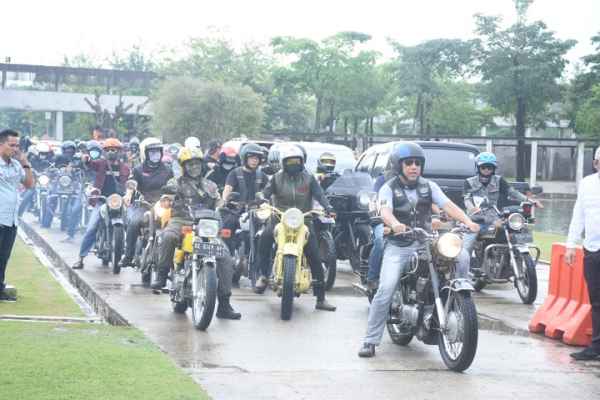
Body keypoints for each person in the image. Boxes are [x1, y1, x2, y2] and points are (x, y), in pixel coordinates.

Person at [358, 142, 479, 358]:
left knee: (460, 255)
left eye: (417, 163)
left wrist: (467, 221)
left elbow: (448, 205)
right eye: (409, 163)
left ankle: (456, 300)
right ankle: (370, 340)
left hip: (427, 241)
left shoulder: (429, 186)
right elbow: (385, 210)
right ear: (399, 166)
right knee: (385, 289)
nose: (414, 167)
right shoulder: (388, 187)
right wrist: (395, 224)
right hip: (400, 244)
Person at [151, 147, 241, 320]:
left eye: (197, 164)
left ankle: (224, 304)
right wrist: (167, 198)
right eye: (190, 164)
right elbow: (167, 195)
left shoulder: (210, 185)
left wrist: (226, 204)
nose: (194, 167)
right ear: (184, 166)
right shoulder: (175, 182)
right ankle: (161, 275)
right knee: (168, 236)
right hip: (181, 221)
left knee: (225, 257)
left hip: (205, 224)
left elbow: (218, 201)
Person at [255, 144, 337, 311]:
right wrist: (262, 198)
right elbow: (265, 192)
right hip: (279, 218)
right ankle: (263, 275)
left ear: (302, 162)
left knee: (314, 255)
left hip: (304, 220)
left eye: (296, 161)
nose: (293, 164)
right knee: (264, 238)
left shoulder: (309, 178)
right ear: (283, 163)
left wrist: (328, 207)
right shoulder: (276, 178)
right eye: (289, 161)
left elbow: (319, 194)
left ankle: (321, 298)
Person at [462, 152, 543, 257]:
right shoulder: (469, 182)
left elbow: (513, 192)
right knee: (467, 246)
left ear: (494, 168)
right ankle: (465, 265)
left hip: (494, 218)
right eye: (483, 167)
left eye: (489, 167)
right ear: (478, 167)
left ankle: (513, 258)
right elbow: (467, 198)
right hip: (475, 219)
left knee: (515, 230)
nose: (486, 169)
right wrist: (472, 208)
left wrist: (529, 200)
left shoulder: (499, 180)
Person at [72, 138, 130, 270]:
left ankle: (130, 255)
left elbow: (130, 183)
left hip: (119, 203)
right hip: (101, 201)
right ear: (104, 152)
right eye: (108, 150)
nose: (111, 152)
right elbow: (90, 164)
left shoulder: (125, 168)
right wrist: (86, 160)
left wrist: (128, 196)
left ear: (119, 152)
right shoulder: (100, 164)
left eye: (114, 150)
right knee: (91, 228)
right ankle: (80, 259)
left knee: (130, 225)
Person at [565, 147, 600, 361]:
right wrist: (571, 244)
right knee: (596, 300)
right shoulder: (587, 184)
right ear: (595, 163)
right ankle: (596, 346)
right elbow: (578, 215)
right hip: (592, 247)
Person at [120, 137, 173, 268]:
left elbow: (174, 185)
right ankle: (128, 256)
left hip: (164, 205)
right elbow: (132, 183)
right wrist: (128, 194)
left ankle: (175, 262)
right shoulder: (138, 169)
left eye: (158, 152)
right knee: (133, 223)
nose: (155, 155)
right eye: (152, 152)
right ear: (145, 153)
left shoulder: (167, 170)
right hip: (145, 205)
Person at [0, 129, 34, 301]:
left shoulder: (15, 165)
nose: (15, 149)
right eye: (11, 145)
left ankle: (0, 288)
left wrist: (25, 163)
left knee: (4, 256)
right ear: (1, 144)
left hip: (11, 219)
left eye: (17, 146)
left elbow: (29, 184)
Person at [41, 141, 82, 234]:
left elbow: (82, 167)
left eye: (71, 151)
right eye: (67, 151)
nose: (69, 152)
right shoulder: (58, 157)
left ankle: (75, 224)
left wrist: (78, 169)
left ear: (74, 151)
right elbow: (50, 165)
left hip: (72, 183)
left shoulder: (76, 159)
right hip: (60, 182)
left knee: (78, 200)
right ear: (63, 150)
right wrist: (51, 169)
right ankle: (46, 223)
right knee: (51, 200)